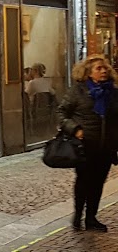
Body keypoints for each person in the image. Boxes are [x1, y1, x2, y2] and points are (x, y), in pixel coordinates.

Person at [58, 54, 118, 232]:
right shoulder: (78, 91)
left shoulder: (113, 92)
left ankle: (91, 218)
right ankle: (78, 215)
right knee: (83, 181)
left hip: (106, 146)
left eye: (105, 68)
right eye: (99, 68)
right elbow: (61, 113)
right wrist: (75, 129)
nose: (104, 71)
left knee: (98, 183)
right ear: (88, 73)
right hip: (84, 146)